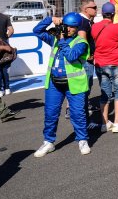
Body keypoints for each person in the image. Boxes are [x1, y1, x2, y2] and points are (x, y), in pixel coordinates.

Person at [32, 13, 92, 155]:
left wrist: (62, 40)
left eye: (72, 27)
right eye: (66, 26)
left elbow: (71, 56)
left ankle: (82, 140)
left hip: (74, 84)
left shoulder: (81, 42)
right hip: (54, 83)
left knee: (77, 114)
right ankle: (48, 142)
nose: (68, 29)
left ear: (77, 28)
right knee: (50, 113)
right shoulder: (55, 38)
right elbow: (37, 31)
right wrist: (50, 19)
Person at [91, 3, 118, 133]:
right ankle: (117, 122)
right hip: (116, 64)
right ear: (113, 14)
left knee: (105, 93)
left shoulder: (94, 27)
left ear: (102, 13)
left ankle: (105, 123)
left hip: (100, 64)